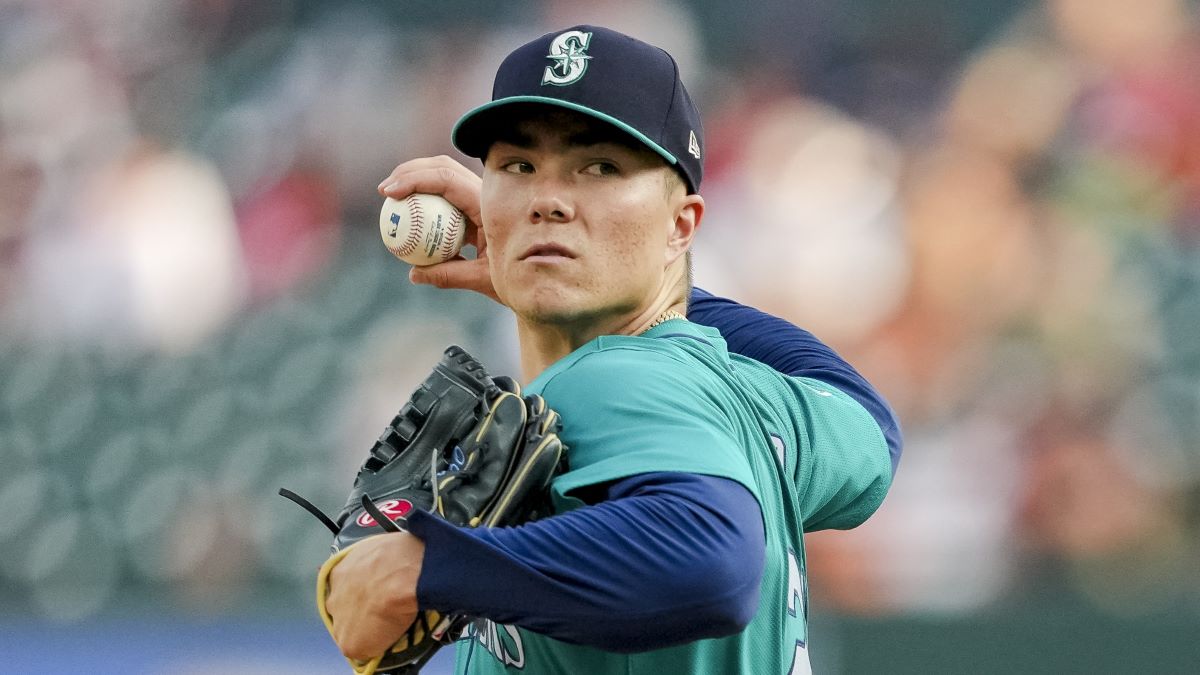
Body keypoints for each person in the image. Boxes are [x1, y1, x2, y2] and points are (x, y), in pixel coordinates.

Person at [324, 25, 900, 674]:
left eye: (599, 167)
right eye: (518, 167)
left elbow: (714, 564)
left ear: (681, 225)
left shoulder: (606, 379)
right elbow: (871, 428)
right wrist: (604, 275)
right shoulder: (747, 395)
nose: (548, 200)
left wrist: (426, 565)